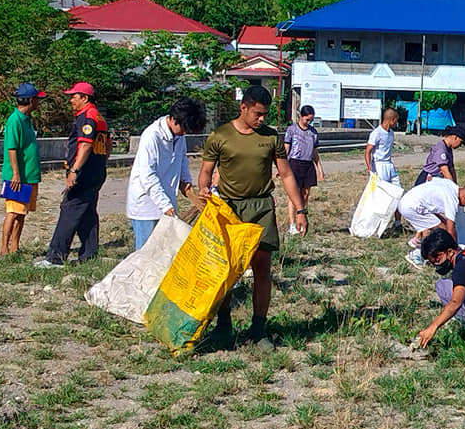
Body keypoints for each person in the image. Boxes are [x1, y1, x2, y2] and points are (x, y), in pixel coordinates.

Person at [197, 84, 308, 346]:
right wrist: (203, 188)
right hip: (229, 209)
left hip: (261, 209)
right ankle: (223, 326)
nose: (261, 119)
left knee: (262, 269)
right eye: (257, 113)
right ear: (243, 107)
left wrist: (300, 209)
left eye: (265, 114)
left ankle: (258, 330)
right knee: (227, 270)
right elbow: (205, 171)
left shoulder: (271, 137)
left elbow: (286, 174)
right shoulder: (220, 136)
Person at [35, 82, 110, 268]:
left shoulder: (87, 116)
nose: (71, 100)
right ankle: (89, 254)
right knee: (87, 212)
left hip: (83, 173)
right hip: (96, 172)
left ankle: (56, 257)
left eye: (74, 96)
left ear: (84, 98)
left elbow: (85, 144)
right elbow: (108, 144)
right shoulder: (98, 116)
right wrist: (100, 163)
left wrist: (74, 170)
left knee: (69, 209)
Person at [126, 98, 207, 250]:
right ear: (174, 120)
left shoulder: (179, 136)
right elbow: (147, 175)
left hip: (167, 201)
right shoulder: (152, 136)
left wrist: (185, 181)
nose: (184, 133)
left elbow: (182, 159)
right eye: (184, 129)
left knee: (163, 251)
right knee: (146, 252)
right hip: (147, 204)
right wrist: (165, 204)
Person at [0, 82, 46, 255]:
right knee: (13, 211)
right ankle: (4, 248)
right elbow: (12, 148)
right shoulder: (15, 120)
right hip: (18, 177)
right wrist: (16, 174)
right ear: (31, 100)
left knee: (22, 212)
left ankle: (15, 246)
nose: (38, 103)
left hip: (29, 175)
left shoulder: (27, 120)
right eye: (37, 99)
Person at [398, 178, 465, 267]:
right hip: (412, 207)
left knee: (437, 226)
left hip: (406, 200)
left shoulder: (450, 184)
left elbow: (431, 178)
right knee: (440, 231)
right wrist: (455, 248)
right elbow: (450, 228)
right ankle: (417, 254)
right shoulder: (452, 199)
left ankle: (422, 249)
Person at [284, 105, 324, 235]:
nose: (308, 122)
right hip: (294, 163)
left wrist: (319, 168)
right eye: (307, 119)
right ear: (301, 116)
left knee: (305, 194)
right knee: (293, 194)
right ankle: (292, 224)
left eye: (311, 120)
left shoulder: (313, 132)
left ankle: (300, 220)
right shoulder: (292, 129)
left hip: (308, 164)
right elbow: (286, 148)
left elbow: (314, 152)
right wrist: (283, 166)